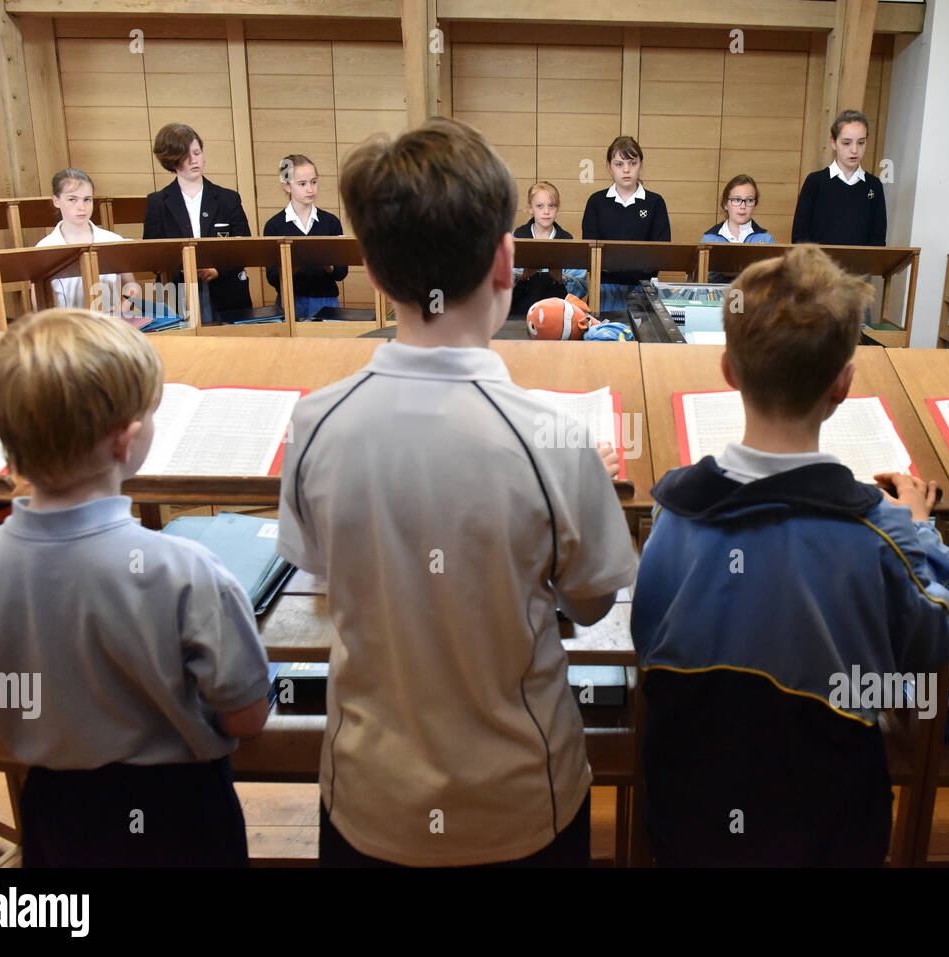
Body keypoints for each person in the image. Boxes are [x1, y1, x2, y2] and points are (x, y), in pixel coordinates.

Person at [278, 118, 637, 868]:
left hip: (367, 795)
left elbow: (318, 568)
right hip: (517, 799)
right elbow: (593, 602)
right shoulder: (553, 441)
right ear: (507, 260)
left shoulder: (315, 423)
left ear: (372, 274)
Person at [631, 244, 949, 866]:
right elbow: (931, 640)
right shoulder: (882, 529)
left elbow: (651, 643)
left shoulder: (674, 515)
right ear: (844, 382)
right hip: (829, 824)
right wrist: (923, 530)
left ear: (728, 369)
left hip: (690, 812)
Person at [0, 309, 271, 867]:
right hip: (181, 814)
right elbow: (247, 715)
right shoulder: (185, 569)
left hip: (58, 809)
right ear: (127, 441)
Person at [143, 123, 252, 320]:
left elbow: (244, 246)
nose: (195, 160)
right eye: (186, 156)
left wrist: (217, 270)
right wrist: (180, 266)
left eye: (197, 152)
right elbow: (152, 254)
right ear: (171, 160)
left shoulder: (229, 198)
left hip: (227, 292)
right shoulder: (157, 202)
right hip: (178, 293)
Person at [35, 168, 138, 321]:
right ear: (56, 201)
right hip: (68, 329)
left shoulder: (113, 241)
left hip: (112, 326)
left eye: (87, 199)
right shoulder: (44, 248)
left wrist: (117, 314)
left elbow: (132, 288)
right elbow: (39, 306)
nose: (81, 207)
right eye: (72, 200)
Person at [581, 136, 671, 311]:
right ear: (609, 167)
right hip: (604, 290)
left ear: (641, 164)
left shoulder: (655, 202)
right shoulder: (596, 201)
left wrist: (621, 266)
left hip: (643, 289)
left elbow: (660, 252)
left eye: (633, 163)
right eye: (619, 164)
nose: (626, 170)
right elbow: (591, 249)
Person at [262, 154, 348, 319]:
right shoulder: (274, 226)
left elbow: (342, 271)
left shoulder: (330, 222)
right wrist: (292, 265)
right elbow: (272, 277)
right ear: (287, 186)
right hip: (291, 300)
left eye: (314, 182)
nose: (310, 189)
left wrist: (329, 266)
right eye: (302, 184)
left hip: (326, 300)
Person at [791, 110, 886, 246]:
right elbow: (800, 236)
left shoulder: (874, 185)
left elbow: (878, 239)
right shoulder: (815, 182)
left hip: (861, 266)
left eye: (861, 143)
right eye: (847, 143)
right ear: (834, 143)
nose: (854, 150)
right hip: (819, 265)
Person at [511, 181, 579, 315]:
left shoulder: (567, 241)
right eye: (540, 206)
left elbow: (580, 287)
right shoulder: (516, 238)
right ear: (530, 208)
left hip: (557, 314)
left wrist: (560, 280)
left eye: (551, 206)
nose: (546, 212)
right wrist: (523, 278)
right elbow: (501, 286)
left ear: (557, 209)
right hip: (519, 312)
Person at [700, 175, 774, 244]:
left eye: (749, 200)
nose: (743, 206)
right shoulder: (709, 239)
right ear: (725, 204)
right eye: (737, 200)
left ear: (755, 204)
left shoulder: (766, 240)